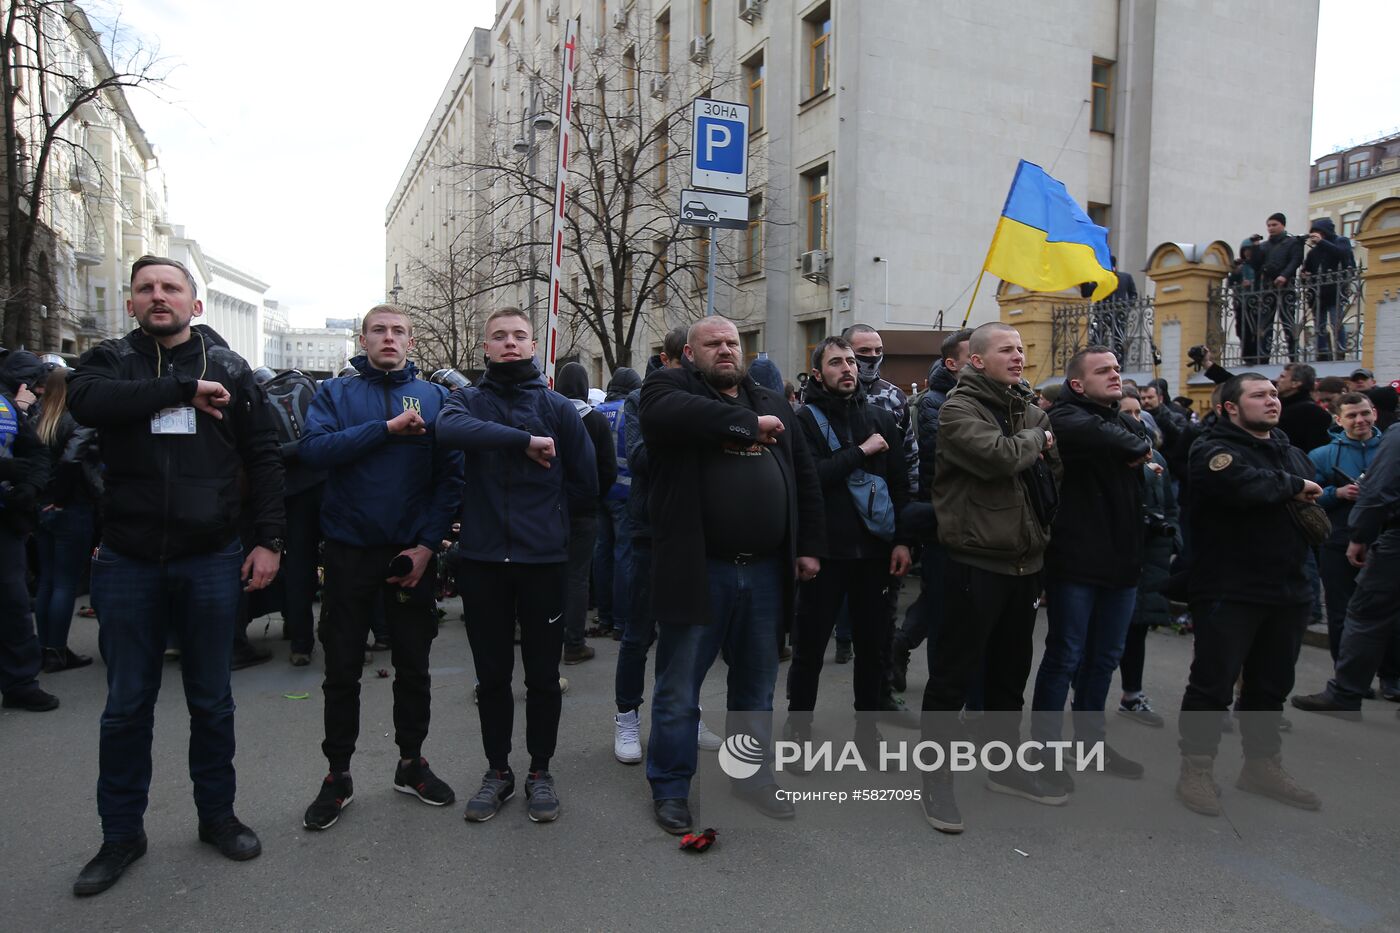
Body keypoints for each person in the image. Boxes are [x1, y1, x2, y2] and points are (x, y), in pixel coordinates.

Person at [67, 255, 284, 895]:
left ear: (195, 304)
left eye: (171, 288)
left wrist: (269, 540)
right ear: (132, 303)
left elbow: (265, 455)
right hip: (128, 559)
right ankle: (120, 836)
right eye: (146, 289)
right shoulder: (108, 362)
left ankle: (217, 817)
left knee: (211, 700)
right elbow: (87, 404)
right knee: (126, 707)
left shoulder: (230, 369)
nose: (158, 297)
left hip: (211, 556)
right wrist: (178, 390)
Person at [641, 315, 823, 835]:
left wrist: (809, 546)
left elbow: (804, 477)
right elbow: (670, 415)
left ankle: (750, 775)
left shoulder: (769, 397)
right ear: (689, 354)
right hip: (700, 569)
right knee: (679, 688)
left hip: (766, 571)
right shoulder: (667, 388)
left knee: (757, 686)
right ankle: (672, 786)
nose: (725, 350)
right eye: (712, 343)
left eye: (732, 342)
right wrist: (746, 427)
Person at [296, 304, 465, 831]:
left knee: (414, 665)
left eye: (398, 331)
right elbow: (315, 451)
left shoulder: (437, 399)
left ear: (411, 341)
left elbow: (450, 479)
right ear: (363, 339)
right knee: (342, 668)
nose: (388, 338)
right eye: (378, 331)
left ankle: (411, 763)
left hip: (411, 554)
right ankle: (337, 775)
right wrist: (386, 429)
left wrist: (425, 546)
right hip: (348, 552)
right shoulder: (335, 395)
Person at [437, 307, 596, 824]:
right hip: (483, 561)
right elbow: (449, 428)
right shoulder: (467, 401)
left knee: (544, 678)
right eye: (499, 337)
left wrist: (553, 530)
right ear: (485, 347)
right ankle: (498, 771)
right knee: (492, 677)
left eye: (519, 336)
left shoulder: (557, 408)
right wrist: (521, 441)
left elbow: (585, 485)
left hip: (542, 563)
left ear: (534, 346)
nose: (509, 344)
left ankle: (540, 772)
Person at [918, 322, 1064, 834]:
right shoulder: (958, 409)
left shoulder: (1025, 408)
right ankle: (934, 782)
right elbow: (1003, 457)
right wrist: (1035, 437)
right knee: (952, 679)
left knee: (1009, 676)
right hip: (973, 563)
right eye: (1008, 349)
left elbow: (1051, 470)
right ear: (977, 360)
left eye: (1022, 349)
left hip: (1025, 564)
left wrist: (1037, 438)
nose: (1020, 356)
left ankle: (1006, 770)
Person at [1174, 374, 1322, 817]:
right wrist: (1293, 488)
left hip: (1287, 588)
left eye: (1275, 393)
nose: (1272, 400)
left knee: (1271, 685)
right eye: (1259, 395)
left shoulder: (1290, 450)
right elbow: (1242, 485)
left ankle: (1261, 766)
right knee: (1213, 684)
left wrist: (1295, 489)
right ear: (1231, 408)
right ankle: (1196, 769)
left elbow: (1305, 497)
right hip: (1229, 588)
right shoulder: (1212, 450)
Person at [1031, 346, 1153, 786]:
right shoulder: (1064, 418)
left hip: (1123, 561)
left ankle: (1091, 744)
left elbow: (1145, 441)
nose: (1115, 375)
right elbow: (1128, 441)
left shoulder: (1117, 418)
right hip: (1077, 561)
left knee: (1104, 658)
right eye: (1104, 371)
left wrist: (1137, 441)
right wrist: (1136, 443)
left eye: (1117, 369)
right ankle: (1043, 751)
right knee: (1065, 656)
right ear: (1077, 384)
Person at [786, 337, 911, 752]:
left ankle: (867, 733)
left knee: (874, 648)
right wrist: (860, 451)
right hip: (825, 554)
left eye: (852, 361)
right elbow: (810, 481)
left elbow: (899, 486)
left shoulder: (881, 417)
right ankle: (799, 729)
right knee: (809, 648)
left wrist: (904, 542)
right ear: (819, 373)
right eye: (836, 362)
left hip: (875, 555)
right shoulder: (804, 420)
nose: (848, 368)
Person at [613, 327, 722, 763]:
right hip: (649, 530)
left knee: (689, 636)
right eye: (686, 359)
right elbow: (639, 459)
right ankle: (626, 718)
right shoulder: (642, 400)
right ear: (670, 358)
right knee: (638, 633)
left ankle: (686, 715)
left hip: (697, 531)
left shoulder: (710, 397)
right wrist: (681, 427)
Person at [1292, 397, 1400, 713]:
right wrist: (1336, 494)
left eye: (1366, 413)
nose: (1360, 421)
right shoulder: (1324, 455)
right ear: (1339, 420)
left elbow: (1377, 493)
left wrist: (1361, 535)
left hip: (1386, 540)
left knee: (1367, 614)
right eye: (1351, 415)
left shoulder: (1393, 439)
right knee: (1349, 611)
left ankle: (1347, 691)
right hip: (1340, 539)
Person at [842, 324, 919, 712]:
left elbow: (908, 461)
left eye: (877, 350)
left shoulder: (894, 397)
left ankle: (881, 694)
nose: (871, 358)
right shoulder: (819, 395)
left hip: (881, 524)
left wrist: (904, 529)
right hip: (837, 525)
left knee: (881, 621)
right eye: (862, 351)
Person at [892, 327, 972, 691]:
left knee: (944, 601)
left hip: (963, 519)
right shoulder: (935, 402)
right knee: (940, 600)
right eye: (976, 354)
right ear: (953, 362)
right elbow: (939, 465)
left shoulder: (965, 396)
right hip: (942, 515)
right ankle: (902, 648)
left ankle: (903, 648)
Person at [1116, 388, 1179, 727]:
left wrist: (1173, 539)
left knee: (1138, 628)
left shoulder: (1157, 456)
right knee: (1105, 632)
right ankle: (1081, 698)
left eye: (1139, 413)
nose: (1135, 420)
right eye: (1126, 413)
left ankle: (1132, 695)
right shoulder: (1107, 456)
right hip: (1117, 554)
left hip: (1150, 553)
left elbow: (1170, 503)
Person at [32, 365, 100, 672]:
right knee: (64, 583)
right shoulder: (78, 419)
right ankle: (56, 650)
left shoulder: (37, 419)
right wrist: (60, 501)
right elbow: (72, 460)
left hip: (41, 506)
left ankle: (45, 648)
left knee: (48, 580)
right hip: (70, 506)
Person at [0, 350, 56, 708]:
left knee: (13, 602)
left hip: (6, 521)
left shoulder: (6, 406)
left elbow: (36, 454)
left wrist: (31, 485)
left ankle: (20, 683)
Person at [556, 362, 617, 664]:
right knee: (578, 577)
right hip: (583, 510)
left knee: (550, 574)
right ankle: (574, 644)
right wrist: (595, 496)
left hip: (550, 509)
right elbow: (608, 468)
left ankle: (547, 638)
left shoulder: (549, 414)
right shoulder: (596, 421)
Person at [590, 367, 640, 640]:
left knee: (602, 554)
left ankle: (605, 616)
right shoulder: (630, 410)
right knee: (624, 556)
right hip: (625, 493)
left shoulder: (597, 412)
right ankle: (622, 621)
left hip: (601, 493)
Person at [1248, 213, 1305, 363]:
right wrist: (1255, 248)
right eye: (1269, 225)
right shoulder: (1264, 246)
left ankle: (1294, 356)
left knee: (1288, 322)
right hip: (1268, 288)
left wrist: (1285, 275)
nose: (1271, 228)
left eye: (1274, 225)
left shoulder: (1292, 242)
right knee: (1265, 324)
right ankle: (1263, 356)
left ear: (1283, 225)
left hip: (1287, 287)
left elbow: (1296, 260)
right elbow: (1255, 265)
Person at [1301, 217, 1356, 361]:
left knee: (1336, 321)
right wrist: (1304, 276)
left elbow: (1343, 254)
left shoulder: (1341, 241)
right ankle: (1323, 351)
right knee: (1319, 324)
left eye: (1319, 232)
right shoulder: (1313, 253)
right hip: (1318, 294)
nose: (1316, 235)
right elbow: (1307, 271)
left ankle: (1340, 350)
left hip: (1336, 291)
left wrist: (1322, 242)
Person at [1275, 363, 1333, 454]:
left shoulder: (1312, 413)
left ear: (1296, 383)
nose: (1277, 380)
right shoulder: (1280, 407)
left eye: (1282, 377)